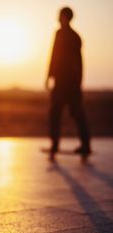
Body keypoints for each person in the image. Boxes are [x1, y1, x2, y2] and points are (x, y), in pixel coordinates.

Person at [46, 7, 91, 160]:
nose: (58, 19)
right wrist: (50, 75)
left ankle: (85, 145)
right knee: (56, 113)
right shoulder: (60, 34)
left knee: (76, 112)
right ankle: (55, 144)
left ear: (65, 17)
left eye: (60, 16)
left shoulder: (74, 37)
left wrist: (77, 82)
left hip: (70, 83)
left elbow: (78, 62)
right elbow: (53, 55)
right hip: (61, 82)